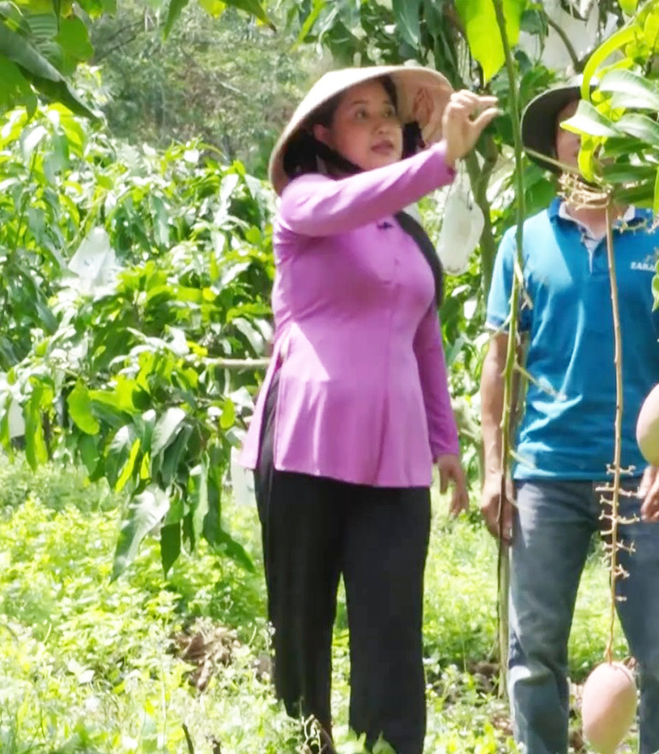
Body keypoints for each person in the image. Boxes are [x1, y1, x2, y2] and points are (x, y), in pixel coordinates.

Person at [238, 64, 499, 754]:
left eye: (390, 113)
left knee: (392, 630)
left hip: (397, 459)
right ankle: (302, 743)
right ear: (322, 133)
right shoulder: (306, 201)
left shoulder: (408, 239)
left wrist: (448, 443)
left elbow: (425, 342)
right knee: (302, 623)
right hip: (305, 445)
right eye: (362, 115)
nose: (383, 125)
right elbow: (341, 207)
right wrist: (441, 160)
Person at [479, 79, 659, 754]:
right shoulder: (522, 245)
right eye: (576, 131)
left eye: (606, 130)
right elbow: (498, 364)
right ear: (556, 147)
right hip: (546, 473)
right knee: (532, 656)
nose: (590, 144)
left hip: (644, 478)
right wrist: (494, 469)